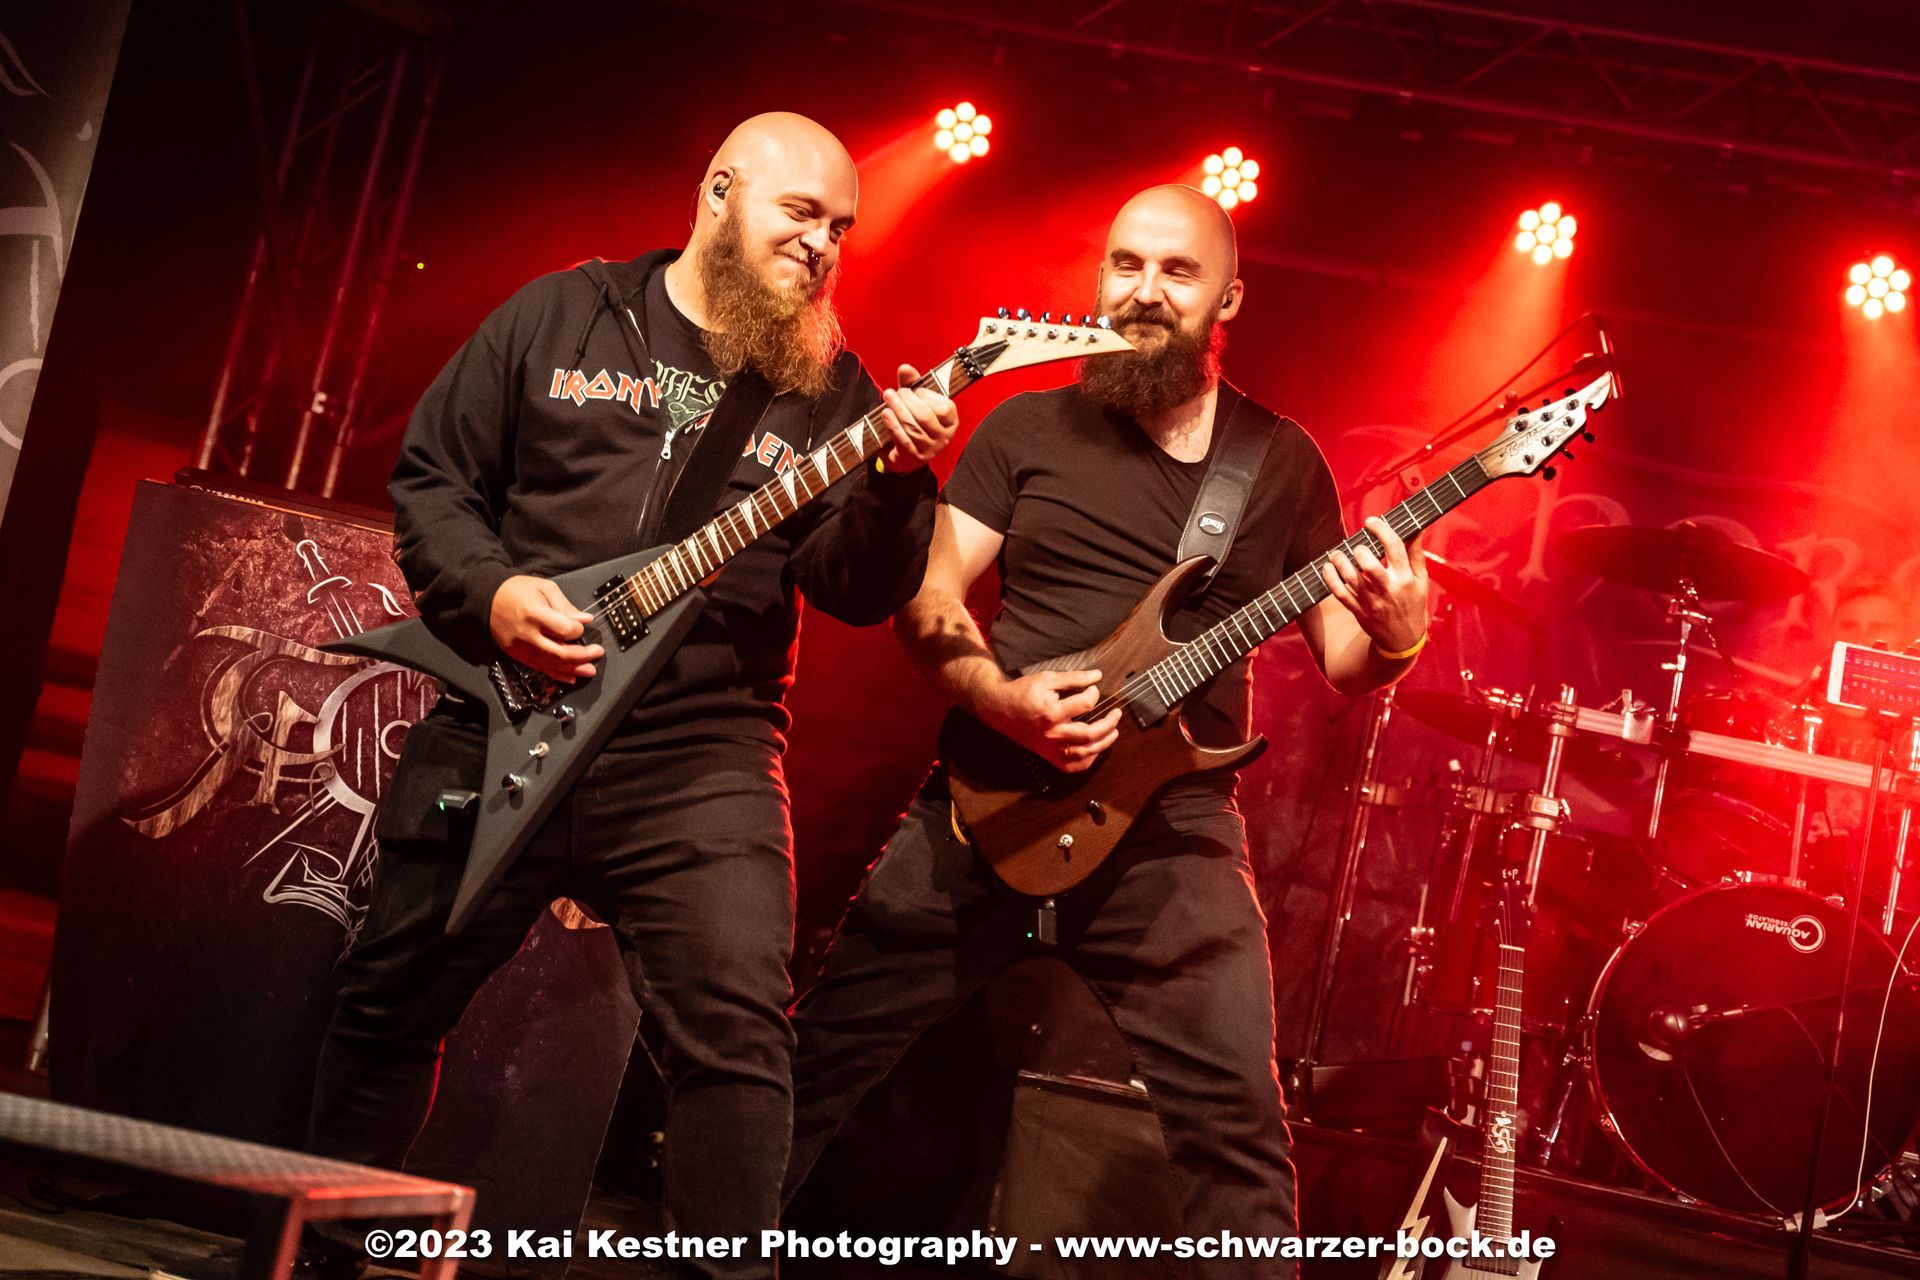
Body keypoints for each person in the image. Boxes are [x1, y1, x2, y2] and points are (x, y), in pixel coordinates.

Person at [305, 112, 958, 1278]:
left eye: (841, 228)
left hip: (700, 750)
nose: (823, 245)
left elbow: (854, 589)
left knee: (739, 1041)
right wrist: (495, 592)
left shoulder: (833, 391)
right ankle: (324, 1257)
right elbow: (435, 479)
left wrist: (901, 483)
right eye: (800, 213)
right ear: (719, 191)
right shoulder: (564, 313)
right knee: (386, 1000)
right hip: (504, 711)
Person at [784, 185, 1428, 1274]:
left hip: (1172, 827)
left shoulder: (1279, 461)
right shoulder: (1026, 427)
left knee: (1238, 1140)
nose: (1144, 291)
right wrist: (1001, 699)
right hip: (988, 799)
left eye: (1178, 272)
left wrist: (1400, 639)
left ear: (1229, 298)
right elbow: (928, 598)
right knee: (811, 1070)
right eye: (1126, 264)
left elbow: (1345, 658)